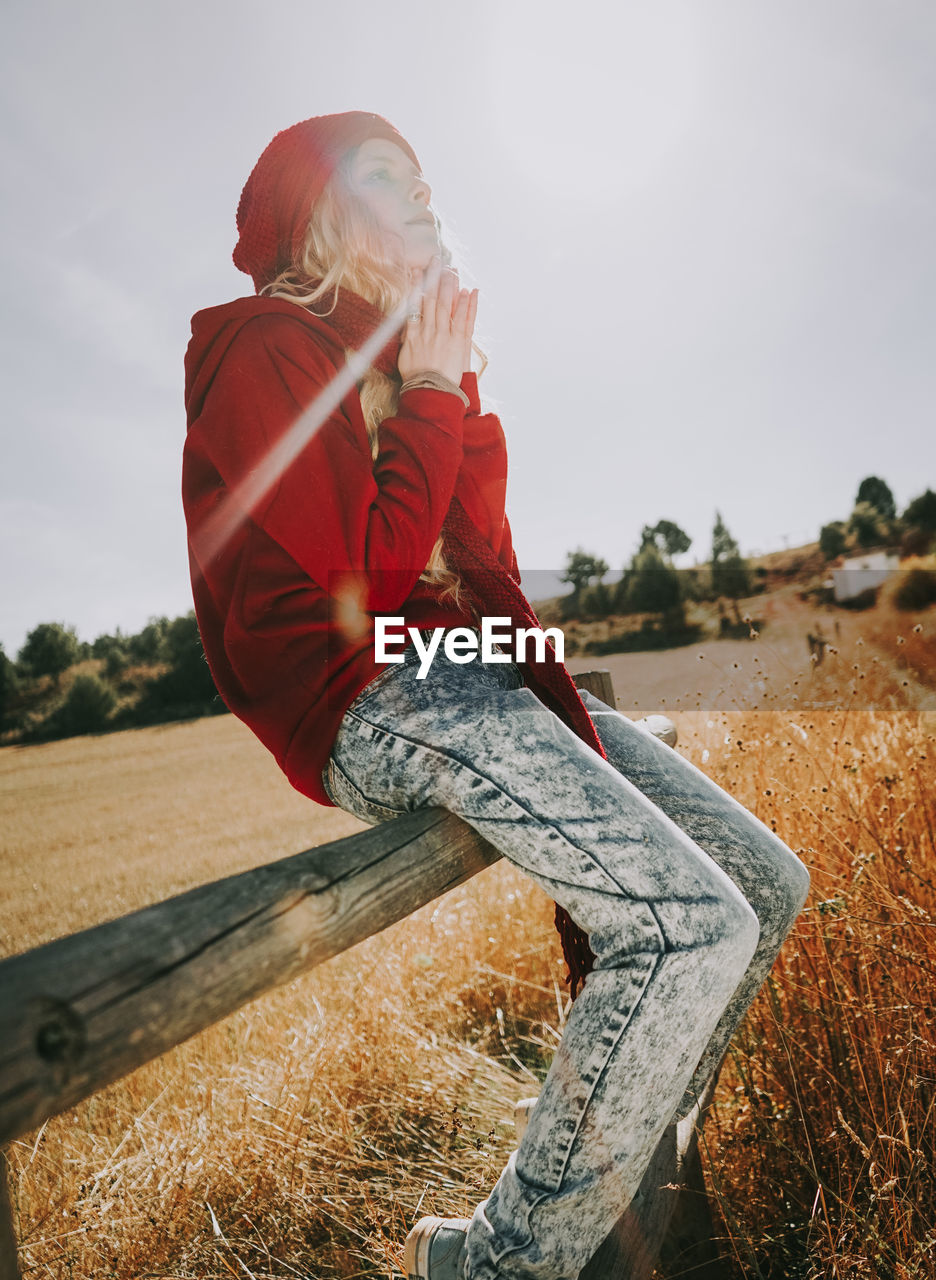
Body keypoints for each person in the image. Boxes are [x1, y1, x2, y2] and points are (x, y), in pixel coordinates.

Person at [182, 112, 810, 1280]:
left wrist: (448, 388)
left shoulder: (411, 358)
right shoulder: (264, 345)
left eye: (425, 179)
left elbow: (480, 565)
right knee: (692, 922)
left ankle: (624, 1204)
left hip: (472, 668)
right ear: (321, 212)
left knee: (767, 886)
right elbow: (357, 594)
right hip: (367, 696)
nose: (422, 192)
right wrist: (428, 392)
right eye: (385, 178)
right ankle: (502, 1262)